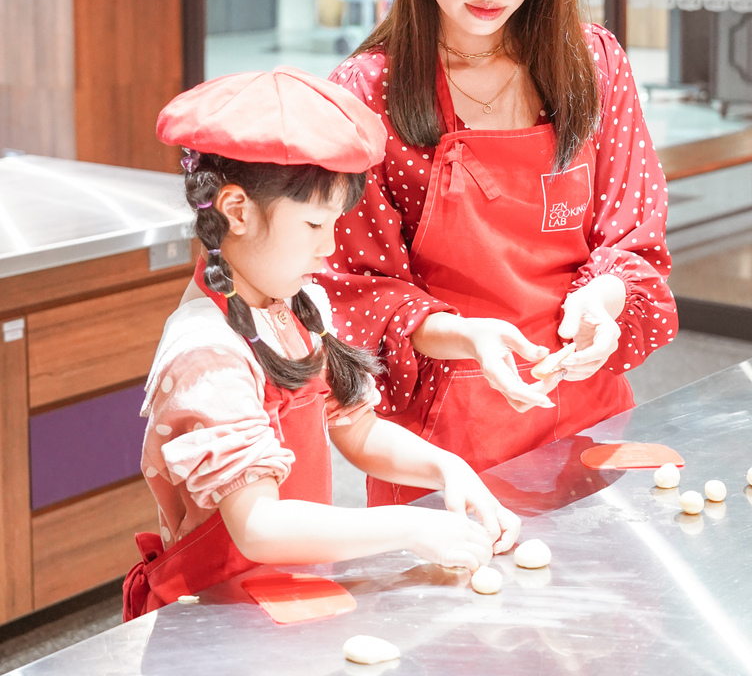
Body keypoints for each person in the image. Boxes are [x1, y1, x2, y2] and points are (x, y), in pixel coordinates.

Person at [318, 0, 679, 506]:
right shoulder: (368, 93)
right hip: (438, 447)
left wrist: (603, 304)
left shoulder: (592, 63)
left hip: (587, 413)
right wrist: (464, 336)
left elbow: (634, 239)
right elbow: (355, 293)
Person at [123, 67, 519, 619]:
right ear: (236, 211)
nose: (328, 248)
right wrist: (407, 526)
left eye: (336, 224)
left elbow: (355, 429)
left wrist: (447, 468)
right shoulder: (206, 352)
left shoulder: (294, 306)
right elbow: (259, 527)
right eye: (313, 226)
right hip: (219, 609)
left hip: (291, 593)